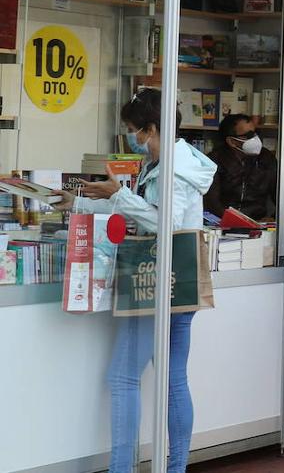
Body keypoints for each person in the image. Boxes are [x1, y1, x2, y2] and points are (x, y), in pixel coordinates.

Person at [54, 89, 218, 473]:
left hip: (155, 279)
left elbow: (164, 222)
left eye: (133, 130)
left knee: (124, 376)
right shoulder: (171, 161)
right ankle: (175, 467)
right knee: (174, 377)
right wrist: (82, 202)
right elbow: (147, 212)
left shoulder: (172, 169)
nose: (131, 137)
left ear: (150, 128)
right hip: (184, 279)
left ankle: (122, 468)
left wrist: (119, 196)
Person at [203, 113, 278, 221]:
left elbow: (281, 196)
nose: (255, 138)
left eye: (255, 133)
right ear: (232, 141)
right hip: (222, 224)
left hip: (259, 224)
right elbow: (212, 202)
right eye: (249, 135)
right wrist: (236, 222)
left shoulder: (266, 158)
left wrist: (273, 218)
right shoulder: (215, 160)